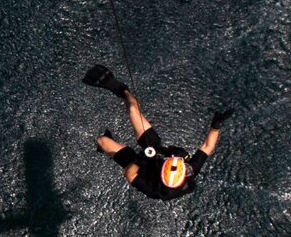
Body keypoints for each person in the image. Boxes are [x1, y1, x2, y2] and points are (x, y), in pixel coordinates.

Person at [83, 64, 232, 201]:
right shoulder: (188, 170)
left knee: (102, 140)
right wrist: (215, 126)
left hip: (141, 167)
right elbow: (207, 147)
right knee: (133, 110)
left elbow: (130, 174)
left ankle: (107, 149)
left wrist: (141, 160)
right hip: (154, 149)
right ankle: (122, 89)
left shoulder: (156, 191)